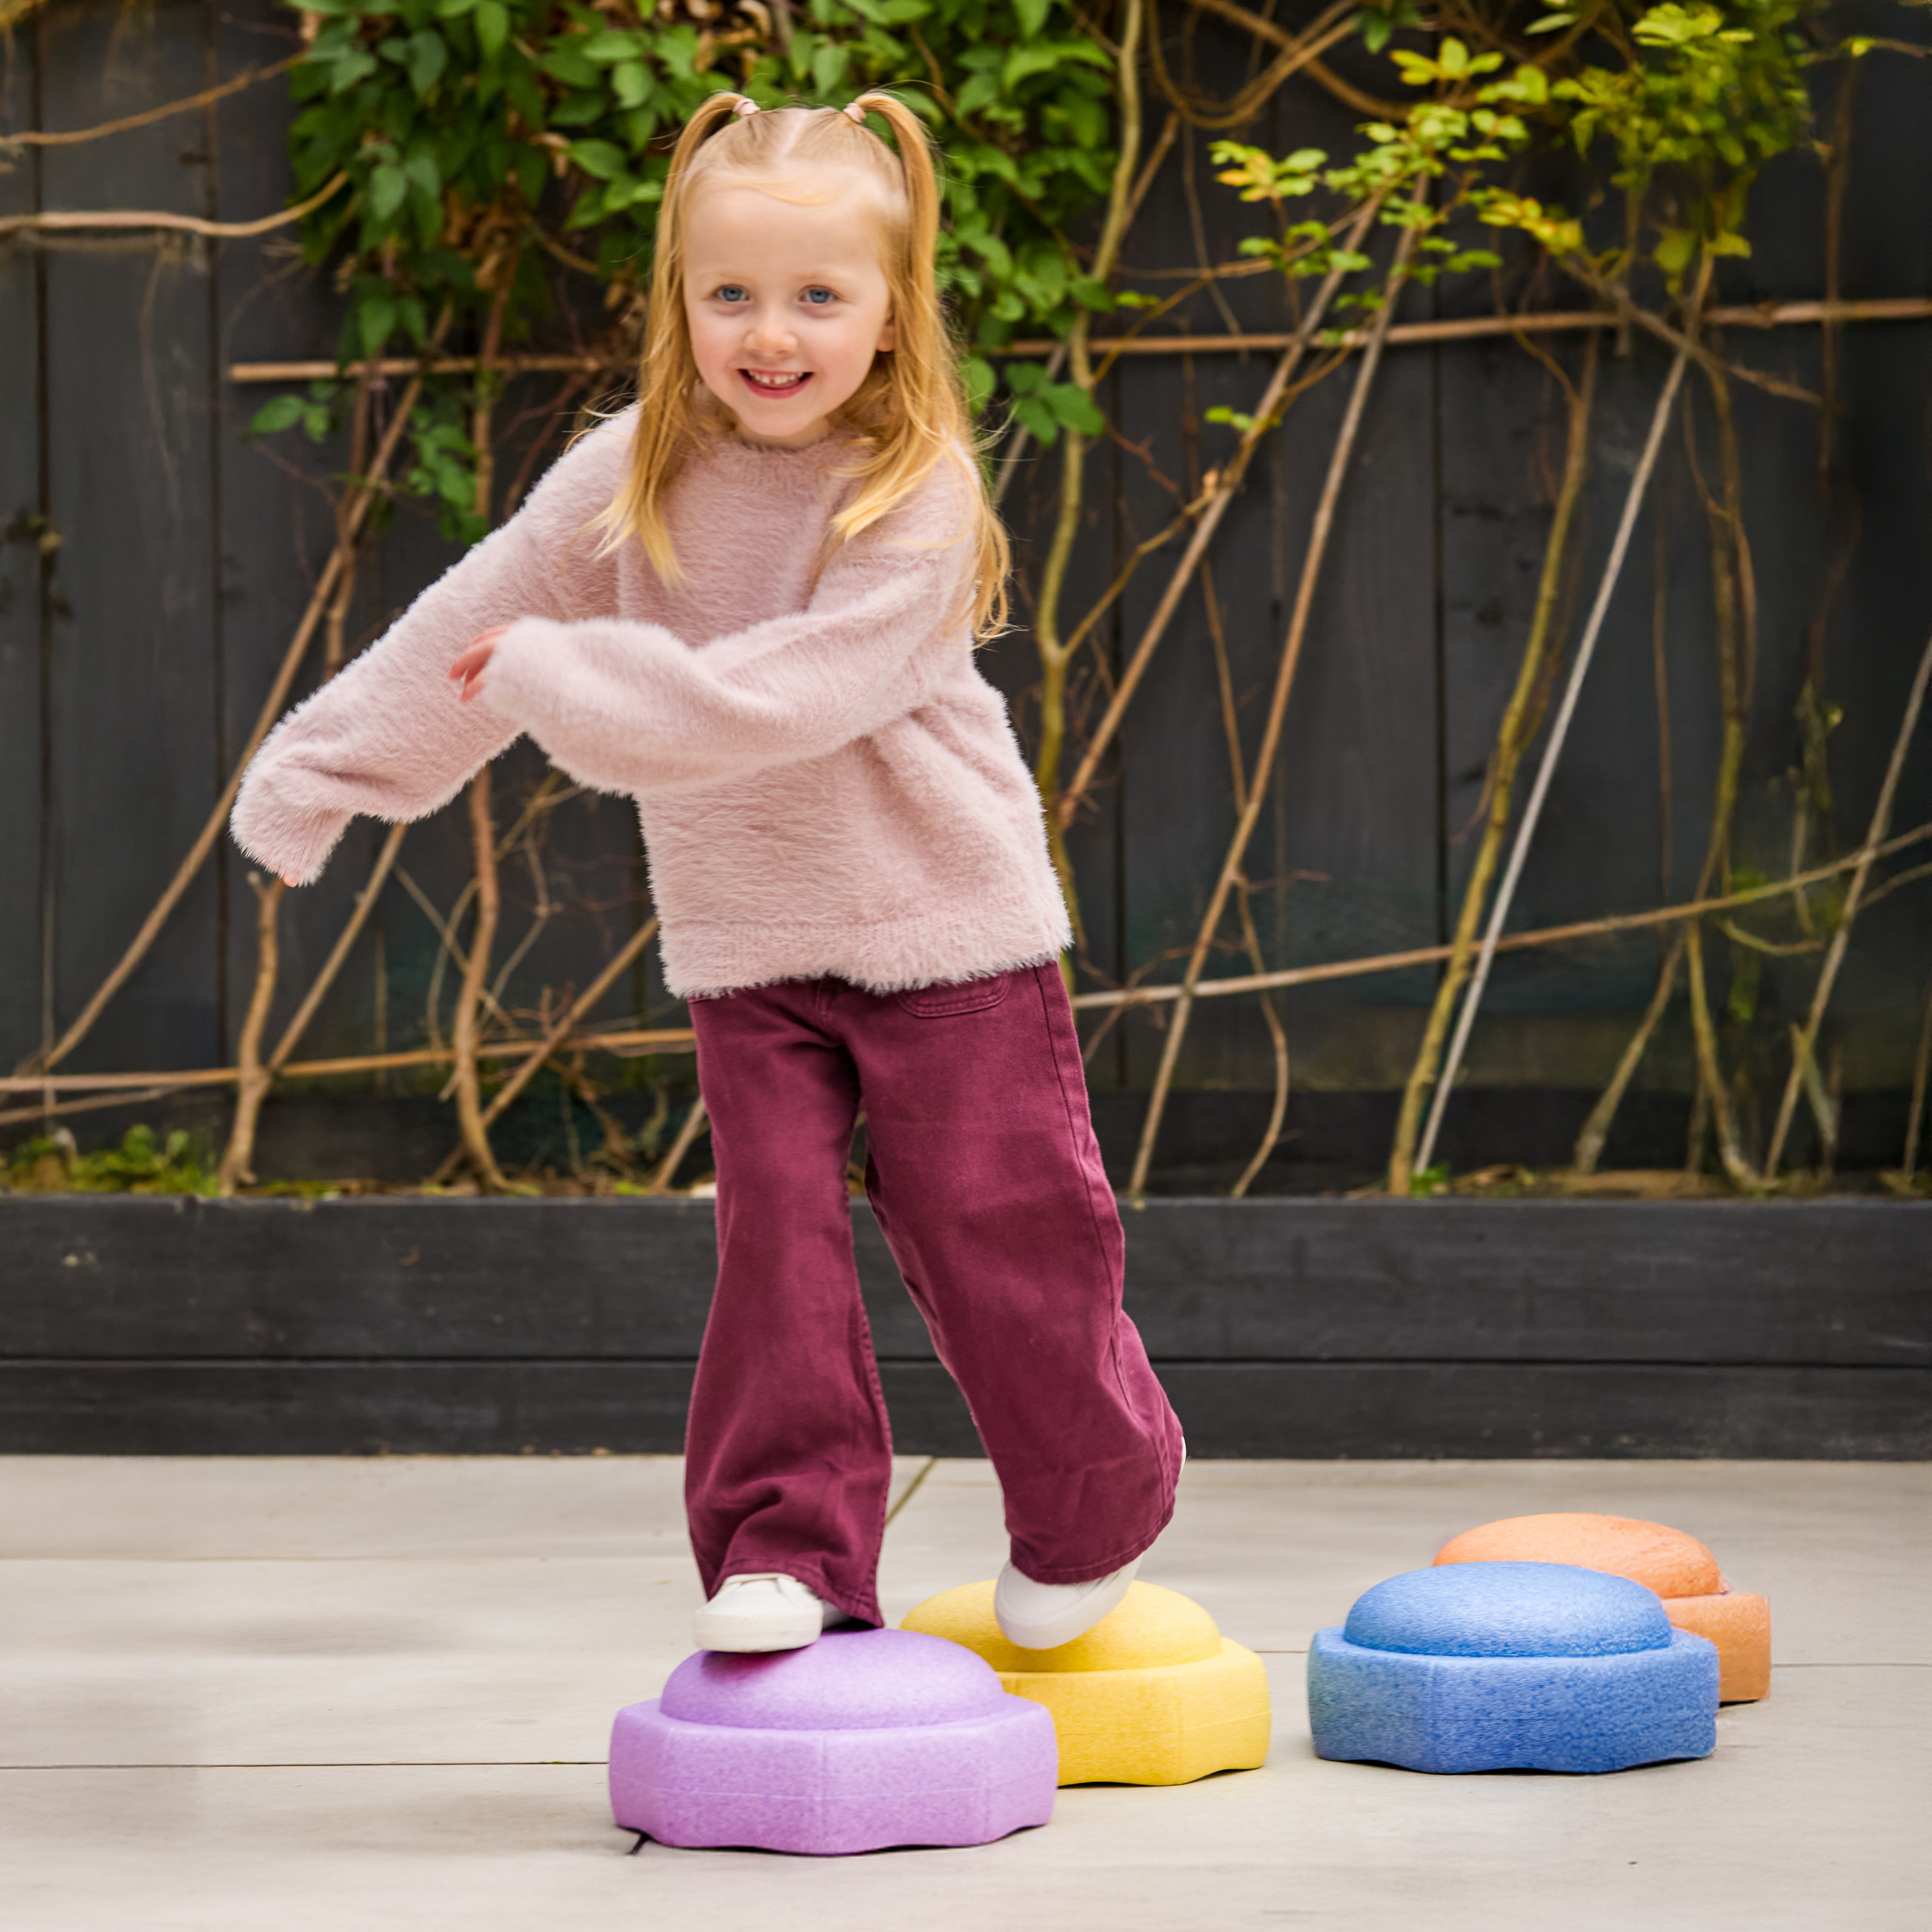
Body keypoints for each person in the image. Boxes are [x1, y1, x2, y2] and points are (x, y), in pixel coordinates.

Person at [231, 90, 1184, 1656]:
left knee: (1001, 1230)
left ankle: (1097, 1495)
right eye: (729, 292)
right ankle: (787, 1549)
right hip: (750, 938)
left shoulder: (916, 487)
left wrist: (564, 672)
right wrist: (321, 772)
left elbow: (781, 699)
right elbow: (468, 617)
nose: (771, 333)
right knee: (775, 1245)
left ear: (893, 310)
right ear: (679, 298)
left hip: (946, 923)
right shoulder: (630, 471)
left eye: (818, 295)